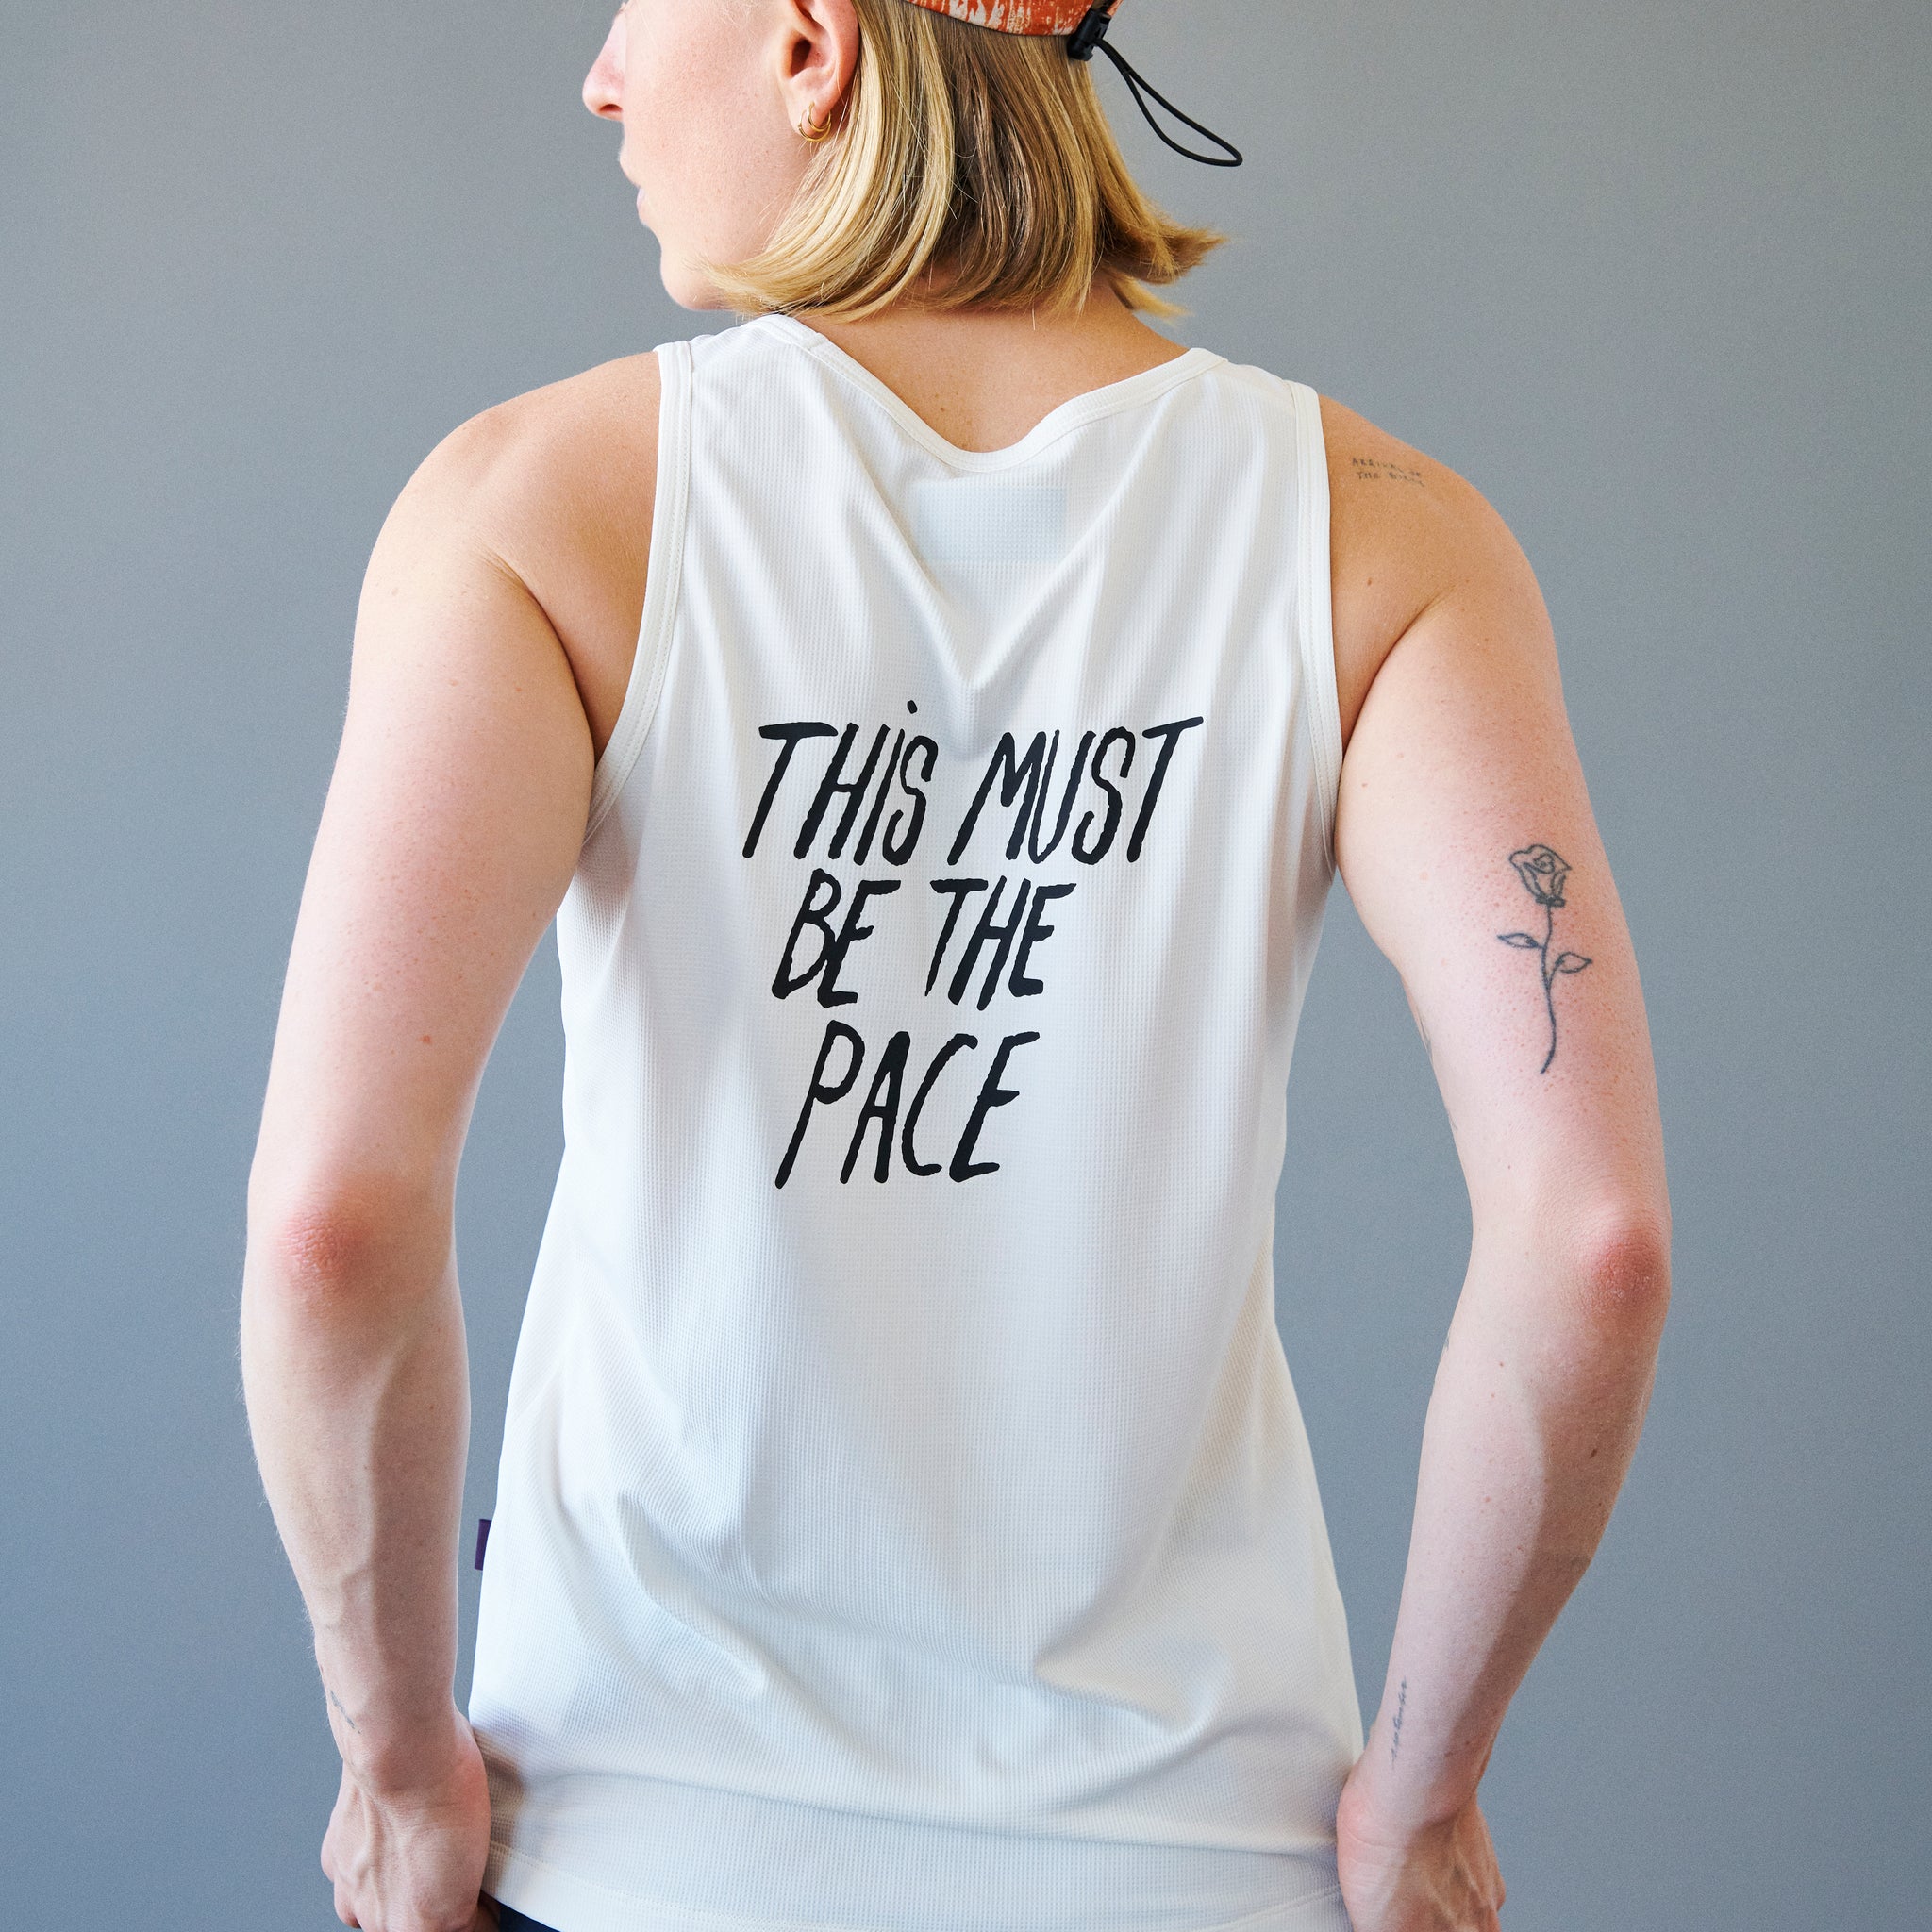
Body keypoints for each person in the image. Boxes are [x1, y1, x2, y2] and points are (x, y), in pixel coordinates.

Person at [237, 3, 1672, 1929]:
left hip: (645, 1846)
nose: (602, 73)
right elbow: (1593, 1243)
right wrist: (1424, 1794)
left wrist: (398, 1765)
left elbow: (332, 1224)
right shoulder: (1387, 538)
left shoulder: (535, 505)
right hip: (1195, 1864)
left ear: (810, 45)